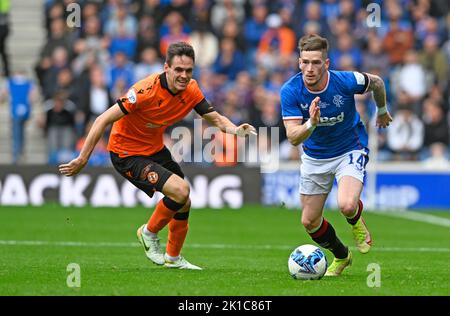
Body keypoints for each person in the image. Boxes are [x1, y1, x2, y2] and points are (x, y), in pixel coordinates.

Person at [59, 42, 257, 270]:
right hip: (126, 153)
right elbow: (102, 119)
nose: (184, 76)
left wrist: (235, 130)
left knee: (183, 202)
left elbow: (215, 118)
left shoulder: (191, 89)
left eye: (189, 70)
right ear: (166, 68)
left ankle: (173, 258)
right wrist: (83, 158)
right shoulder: (144, 91)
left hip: (153, 149)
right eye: (178, 70)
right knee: (181, 191)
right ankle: (148, 232)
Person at [280, 34, 392, 276]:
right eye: (305, 62)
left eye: (316, 62)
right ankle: (342, 256)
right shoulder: (290, 91)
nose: (310, 69)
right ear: (299, 62)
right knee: (309, 222)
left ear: (326, 63)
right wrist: (311, 122)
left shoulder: (345, 80)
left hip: (349, 148)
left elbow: (378, 83)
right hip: (314, 157)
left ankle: (355, 222)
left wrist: (382, 110)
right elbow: (292, 137)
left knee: (346, 204)